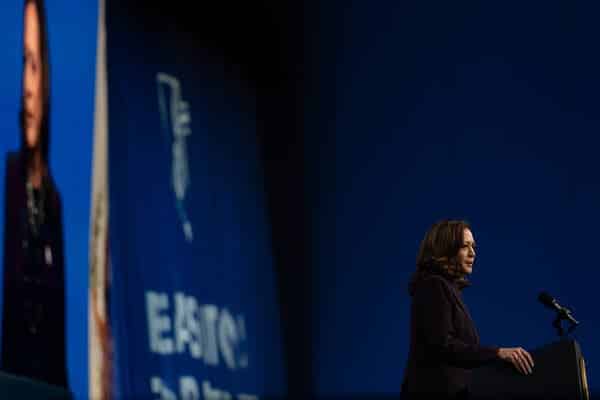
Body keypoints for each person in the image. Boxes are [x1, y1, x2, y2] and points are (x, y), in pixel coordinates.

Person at [1, 0, 68, 388]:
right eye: (21, 65)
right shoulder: (10, 177)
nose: (27, 90)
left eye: (34, 66)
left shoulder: (54, 203)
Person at [400, 220, 534, 400]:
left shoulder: (447, 288)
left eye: (474, 247)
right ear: (445, 249)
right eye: (465, 246)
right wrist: (498, 353)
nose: (473, 253)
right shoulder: (433, 285)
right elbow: (442, 346)